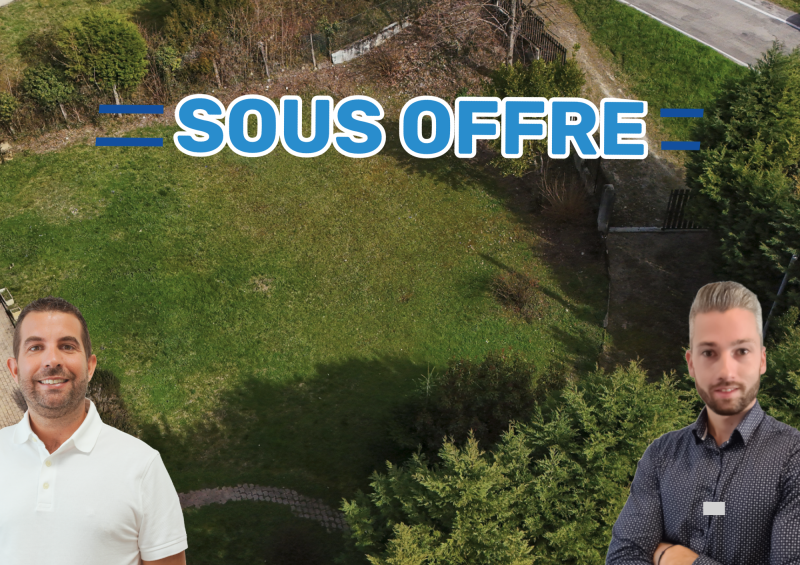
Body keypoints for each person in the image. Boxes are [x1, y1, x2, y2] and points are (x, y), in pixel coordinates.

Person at [606, 281, 800, 565]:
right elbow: (623, 556)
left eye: (741, 351)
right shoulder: (661, 455)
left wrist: (679, 559)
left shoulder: (794, 458)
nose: (726, 371)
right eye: (709, 352)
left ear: (762, 360)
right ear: (691, 363)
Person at [0, 296, 188, 565]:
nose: (51, 360)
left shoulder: (143, 466)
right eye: (35, 347)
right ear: (14, 369)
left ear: (89, 366)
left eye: (67, 346)